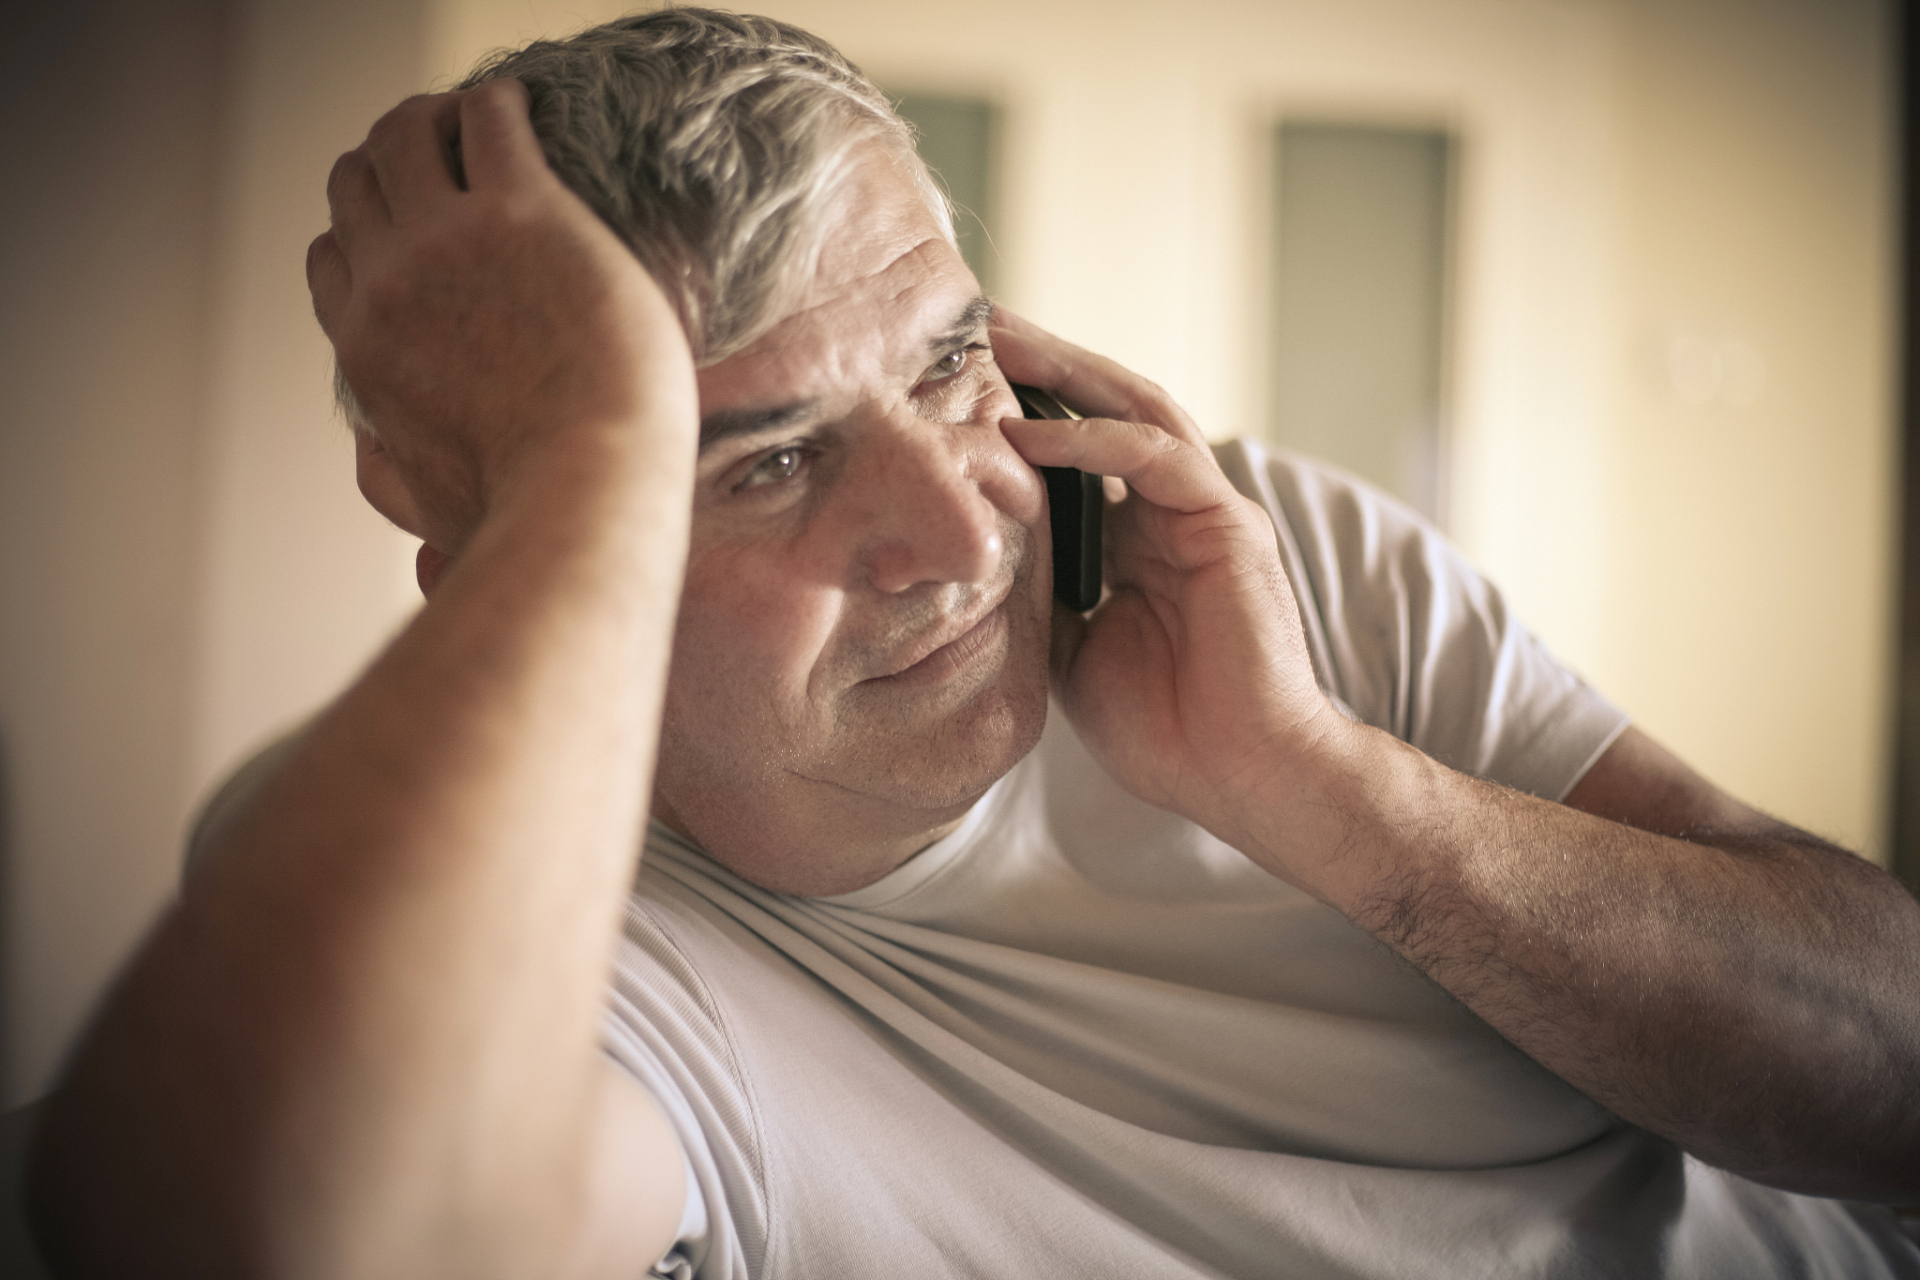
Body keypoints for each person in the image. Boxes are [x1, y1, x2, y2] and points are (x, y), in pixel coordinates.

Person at [22, 9, 1920, 1278]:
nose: (960, 531)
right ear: (537, 539)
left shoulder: (1259, 562)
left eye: (948, 365)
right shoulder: (541, 933)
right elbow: (241, 1225)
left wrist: (1325, 791)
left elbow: (1892, 1069)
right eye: (760, 464)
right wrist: (590, 443)